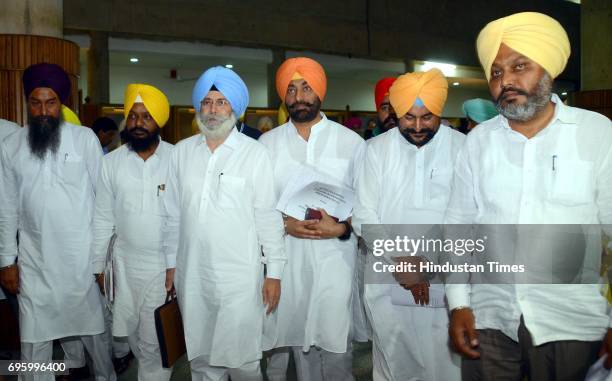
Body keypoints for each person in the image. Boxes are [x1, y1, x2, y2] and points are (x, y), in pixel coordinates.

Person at [445, 12, 612, 380]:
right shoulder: (478, 143)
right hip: (491, 316)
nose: (506, 81)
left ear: (548, 71)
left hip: (570, 320)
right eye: (496, 72)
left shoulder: (597, 134)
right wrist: (458, 303)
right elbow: (460, 227)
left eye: (520, 66)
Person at [163, 66, 286, 381]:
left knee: (241, 361)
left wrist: (274, 273)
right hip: (192, 275)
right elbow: (173, 214)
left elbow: (268, 217)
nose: (213, 109)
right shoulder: (180, 153)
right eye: (206, 102)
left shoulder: (255, 154)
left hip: (239, 280)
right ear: (198, 108)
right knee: (202, 360)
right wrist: (170, 263)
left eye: (221, 102)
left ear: (235, 108)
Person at [0, 63, 115, 381]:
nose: (43, 110)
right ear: (27, 102)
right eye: (35, 102)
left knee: (97, 339)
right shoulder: (11, 147)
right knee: (33, 342)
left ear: (61, 103)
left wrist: (102, 260)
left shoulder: (84, 140)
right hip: (35, 264)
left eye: (50, 102)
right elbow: (7, 208)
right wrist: (7, 261)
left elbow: (104, 201)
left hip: (82, 263)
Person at [353, 68, 463, 381]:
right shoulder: (374, 150)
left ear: (440, 112)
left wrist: (427, 265)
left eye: (427, 117)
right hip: (387, 277)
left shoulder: (462, 148)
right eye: (408, 117)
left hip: (444, 276)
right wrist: (397, 260)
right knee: (395, 364)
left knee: (446, 365)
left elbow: (466, 216)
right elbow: (363, 214)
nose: (417, 126)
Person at [261, 57, 366, 381]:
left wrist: (342, 227)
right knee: (297, 339)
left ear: (320, 91)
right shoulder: (267, 145)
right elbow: (259, 206)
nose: (298, 96)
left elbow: (365, 203)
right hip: (287, 259)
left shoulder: (352, 144)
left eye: (306, 87)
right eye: (291, 89)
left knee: (336, 342)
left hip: (335, 259)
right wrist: (285, 225)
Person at [92, 84, 173, 381]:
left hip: (162, 267)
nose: (139, 123)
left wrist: (177, 264)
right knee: (134, 338)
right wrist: (98, 266)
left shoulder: (177, 159)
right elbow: (102, 217)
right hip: (123, 266)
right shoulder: (110, 163)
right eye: (134, 116)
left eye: (146, 117)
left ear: (159, 121)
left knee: (155, 342)